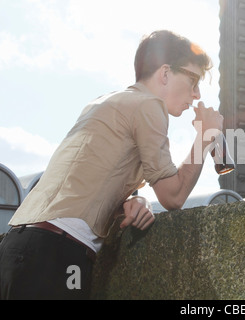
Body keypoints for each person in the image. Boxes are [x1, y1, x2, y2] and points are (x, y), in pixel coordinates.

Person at [0, 30, 222, 300]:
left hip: (17, 245)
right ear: (165, 73)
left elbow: (84, 180)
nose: (197, 94)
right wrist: (206, 136)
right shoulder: (149, 106)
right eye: (193, 79)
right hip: (58, 254)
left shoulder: (105, 101)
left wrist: (129, 202)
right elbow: (173, 196)